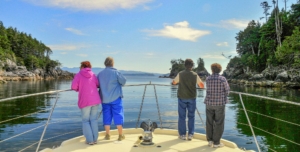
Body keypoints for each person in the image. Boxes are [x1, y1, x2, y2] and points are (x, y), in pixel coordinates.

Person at [172, 58, 204, 140]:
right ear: (192, 66)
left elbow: (174, 82)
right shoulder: (194, 75)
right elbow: (201, 85)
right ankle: (190, 134)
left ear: (185, 65)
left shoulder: (181, 74)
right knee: (191, 116)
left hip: (182, 97)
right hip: (192, 97)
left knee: (182, 117)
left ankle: (182, 134)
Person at [71, 61, 101, 145]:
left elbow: (73, 87)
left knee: (85, 120)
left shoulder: (78, 75)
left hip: (85, 100)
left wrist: (79, 89)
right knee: (94, 120)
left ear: (82, 66)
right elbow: (97, 84)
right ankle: (95, 139)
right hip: (95, 100)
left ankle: (90, 140)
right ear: (89, 67)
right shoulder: (93, 74)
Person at [97, 57, 126, 141]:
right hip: (116, 98)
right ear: (112, 63)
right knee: (118, 115)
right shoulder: (116, 72)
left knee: (106, 116)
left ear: (105, 63)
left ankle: (107, 135)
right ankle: (120, 135)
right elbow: (123, 82)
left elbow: (97, 84)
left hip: (104, 99)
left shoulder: (100, 74)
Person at [204, 63, 230, 148]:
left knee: (209, 122)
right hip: (219, 104)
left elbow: (207, 89)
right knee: (219, 123)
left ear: (212, 70)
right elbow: (227, 91)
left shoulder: (208, 79)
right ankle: (216, 142)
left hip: (209, 103)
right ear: (220, 70)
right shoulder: (222, 79)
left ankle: (210, 140)